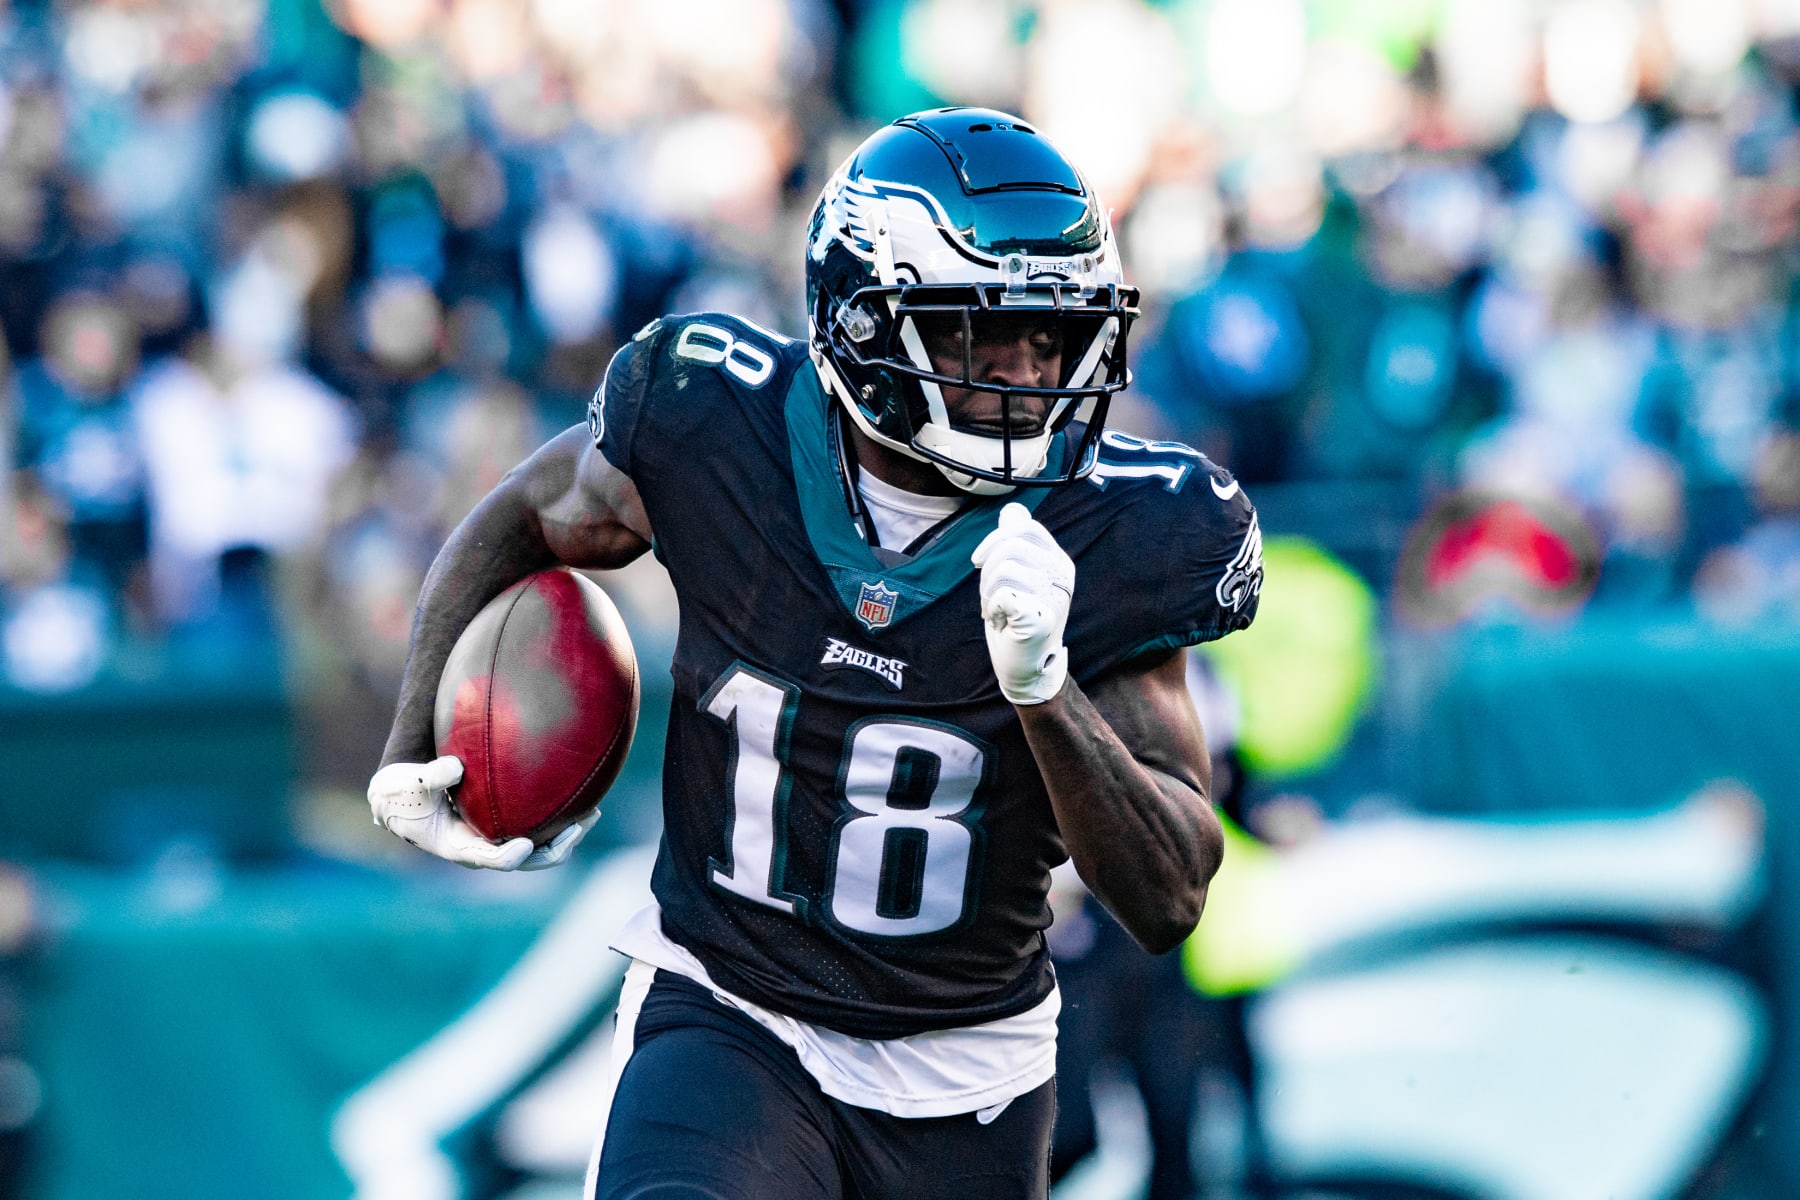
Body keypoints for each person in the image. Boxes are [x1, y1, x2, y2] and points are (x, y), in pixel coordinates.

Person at [366, 107, 1263, 1200]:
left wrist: (1045, 693)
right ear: (868, 326)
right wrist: (416, 742)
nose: (1031, 370)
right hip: (733, 1012)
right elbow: (527, 512)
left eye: (1053, 335)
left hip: (966, 1073)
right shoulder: (713, 416)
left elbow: (1170, 897)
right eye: (985, 336)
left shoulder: (1125, 531)